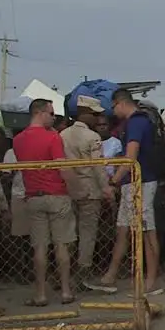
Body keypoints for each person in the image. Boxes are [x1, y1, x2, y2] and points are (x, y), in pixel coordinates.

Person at [92, 90, 164, 296]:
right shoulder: (134, 123)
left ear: (120, 103)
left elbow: (130, 156)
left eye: (113, 107)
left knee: (146, 231)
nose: (113, 112)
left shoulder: (136, 122)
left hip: (141, 182)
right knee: (123, 229)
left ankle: (151, 281)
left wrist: (114, 180)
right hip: (131, 182)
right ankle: (110, 276)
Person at [12, 99, 76, 305]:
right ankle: (65, 291)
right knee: (62, 244)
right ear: (39, 113)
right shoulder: (52, 137)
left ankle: (40, 293)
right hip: (57, 194)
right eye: (51, 113)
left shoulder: (18, 140)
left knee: (39, 247)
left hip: (33, 195)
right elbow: (62, 167)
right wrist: (73, 186)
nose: (54, 117)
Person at [61, 96, 113, 280]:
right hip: (90, 189)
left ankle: (66, 271)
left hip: (68, 189)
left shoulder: (63, 135)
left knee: (68, 233)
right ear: (85, 114)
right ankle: (83, 271)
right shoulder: (93, 137)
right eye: (95, 114)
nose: (98, 119)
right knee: (87, 233)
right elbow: (98, 166)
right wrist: (106, 188)